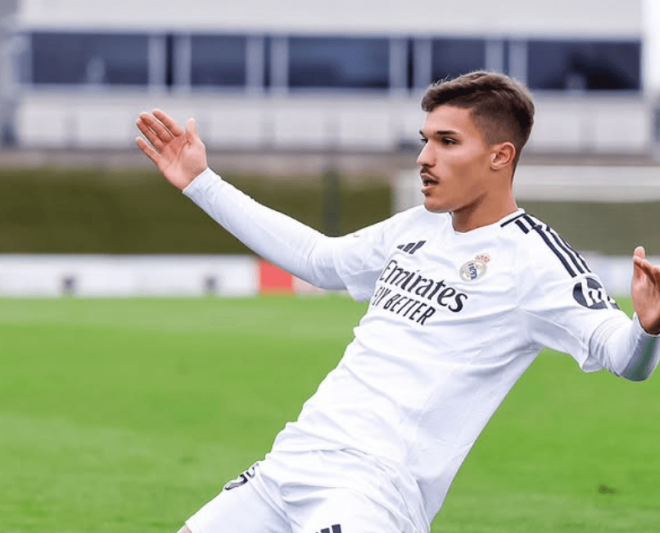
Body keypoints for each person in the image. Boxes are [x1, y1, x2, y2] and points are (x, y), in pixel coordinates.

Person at [135, 71, 660, 533]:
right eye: (424, 139)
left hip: (373, 491)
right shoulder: (416, 226)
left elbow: (621, 356)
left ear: (501, 156)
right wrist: (201, 183)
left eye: (447, 142)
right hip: (288, 464)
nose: (424, 158)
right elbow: (320, 260)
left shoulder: (536, 260)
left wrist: (647, 327)